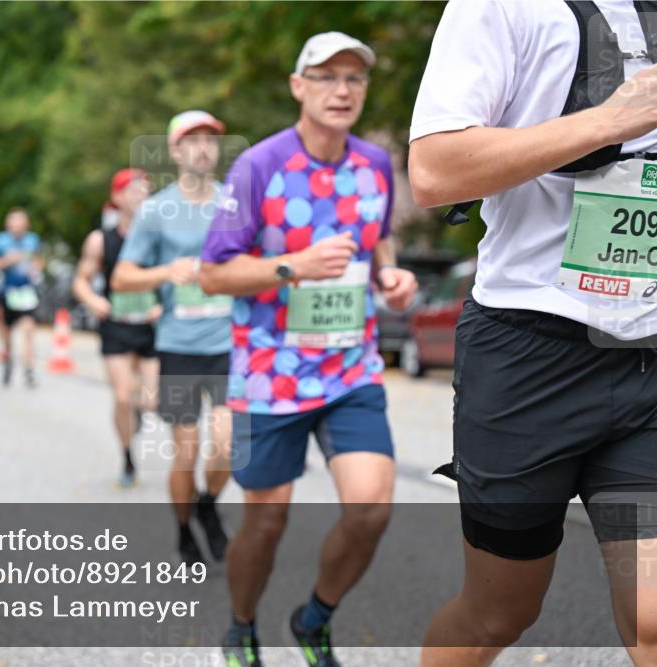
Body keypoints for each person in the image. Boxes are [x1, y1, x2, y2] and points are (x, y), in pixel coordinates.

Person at [408, 2, 656, 665]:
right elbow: (434, 172)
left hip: (647, 360)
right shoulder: (505, 5)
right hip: (529, 356)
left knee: (654, 612)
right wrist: (611, 119)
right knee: (497, 613)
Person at [199, 33, 418, 667]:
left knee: (372, 509)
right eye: (326, 77)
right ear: (300, 86)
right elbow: (213, 274)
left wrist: (392, 279)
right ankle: (241, 627)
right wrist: (292, 267)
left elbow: (377, 245)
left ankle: (313, 617)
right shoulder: (259, 166)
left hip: (351, 367)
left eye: (354, 79)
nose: (342, 90)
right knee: (265, 527)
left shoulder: (376, 164)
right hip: (270, 377)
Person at [111, 110, 234, 566]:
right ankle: (184, 528)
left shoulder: (234, 205)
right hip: (180, 346)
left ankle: (207, 505)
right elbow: (122, 278)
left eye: (210, 139)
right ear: (175, 151)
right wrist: (168, 271)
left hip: (228, 345)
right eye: (193, 140)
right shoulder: (156, 210)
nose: (203, 147)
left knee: (226, 447)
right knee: (187, 451)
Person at [73, 168, 161, 488]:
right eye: (134, 189)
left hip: (150, 326)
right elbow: (80, 281)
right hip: (116, 326)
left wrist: (162, 305)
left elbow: (174, 277)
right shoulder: (100, 240)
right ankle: (127, 455)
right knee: (123, 396)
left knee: (150, 400)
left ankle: (140, 412)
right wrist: (93, 301)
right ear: (117, 197)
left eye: (146, 190)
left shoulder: (158, 236)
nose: (141, 195)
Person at [0, 207, 44, 388]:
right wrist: (7, 261)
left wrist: (36, 268)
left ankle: (28, 369)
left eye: (20, 222)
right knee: (7, 333)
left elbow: (39, 260)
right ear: (8, 224)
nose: (16, 226)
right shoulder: (0, 241)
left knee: (29, 329)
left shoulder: (33, 240)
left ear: (26, 224)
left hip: (26, 291)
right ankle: (8, 358)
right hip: (7, 291)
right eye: (13, 222)